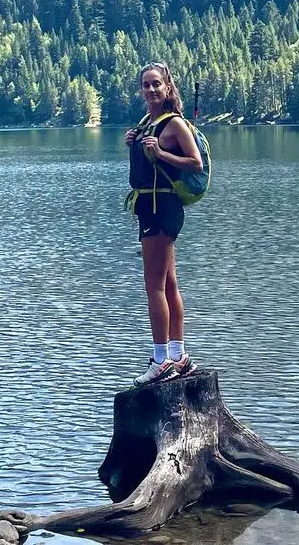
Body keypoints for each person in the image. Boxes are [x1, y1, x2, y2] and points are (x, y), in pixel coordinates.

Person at [124, 62, 204, 385]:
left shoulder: (174, 125)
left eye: (156, 84)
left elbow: (195, 162)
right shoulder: (148, 123)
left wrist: (161, 153)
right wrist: (136, 144)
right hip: (150, 207)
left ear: (168, 88)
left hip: (162, 208)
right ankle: (178, 355)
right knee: (168, 284)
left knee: (153, 286)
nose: (151, 90)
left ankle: (160, 361)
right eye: (146, 85)